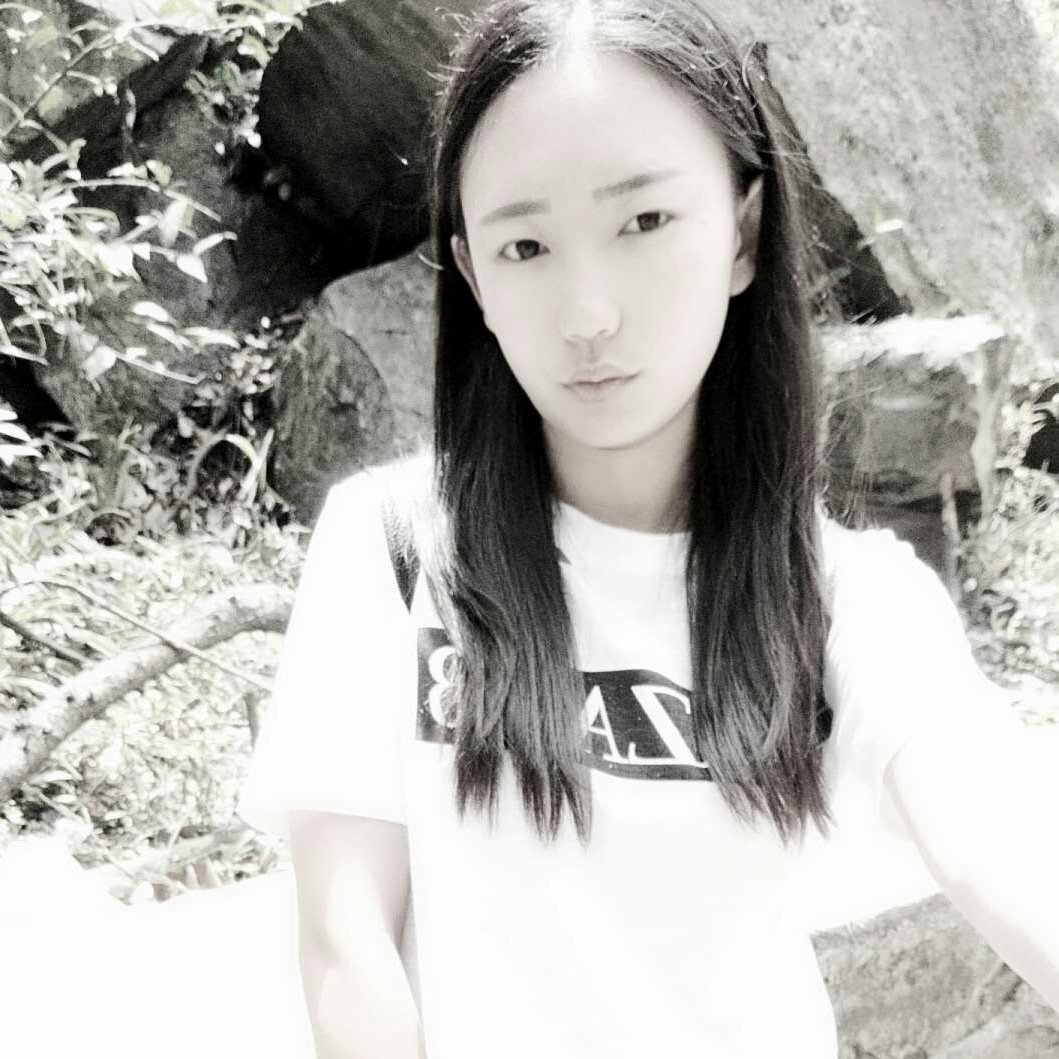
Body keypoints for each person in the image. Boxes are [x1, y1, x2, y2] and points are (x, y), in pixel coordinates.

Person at [235, 2, 1058, 1056]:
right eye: (526, 245)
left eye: (644, 222)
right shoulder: (395, 551)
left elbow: (1000, 846)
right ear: (473, 275)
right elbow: (347, 948)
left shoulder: (845, 597)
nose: (588, 314)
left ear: (742, 233)